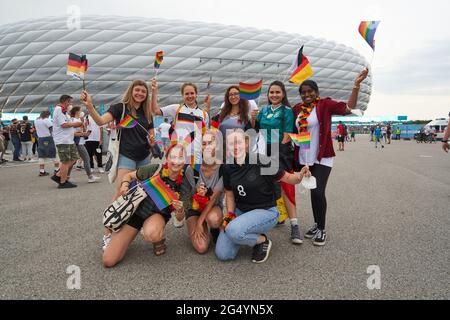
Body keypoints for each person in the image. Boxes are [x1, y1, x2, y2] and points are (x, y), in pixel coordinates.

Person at [292, 68, 369, 246]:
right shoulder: (297, 109)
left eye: (310, 91)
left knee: (318, 191)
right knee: (313, 191)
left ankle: (322, 228)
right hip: (304, 158)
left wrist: (356, 86)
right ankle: (316, 224)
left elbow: (349, 108)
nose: (306, 95)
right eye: (303, 92)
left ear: (316, 92)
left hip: (322, 157)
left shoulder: (324, 105)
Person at [215, 129, 310, 263]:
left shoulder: (261, 160)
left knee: (233, 230)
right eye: (231, 144)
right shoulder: (227, 167)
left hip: (266, 210)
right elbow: (229, 195)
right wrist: (230, 215)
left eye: (239, 142)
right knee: (223, 254)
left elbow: (289, 178)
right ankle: (247, 232)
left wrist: (300, 175)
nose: (235, 147)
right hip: (241, 211)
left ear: (246, 143)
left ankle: (262, 240)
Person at [81, 80, 155, 249]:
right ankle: (108, 233)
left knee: (144, 193)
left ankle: (137, 224)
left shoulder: (147, 112)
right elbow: (100, 121)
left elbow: (151, 133)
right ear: (131, 91)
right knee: (122, 192)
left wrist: (152, 140)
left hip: (144, 156)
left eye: (143, 91)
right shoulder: (119, 108)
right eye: (137, 90)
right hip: (127, 156)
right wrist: (90, 106)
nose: (140, 94)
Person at [102, 144, 195, 268]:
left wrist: (180, 210)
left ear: (185, 160)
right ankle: (121, 236)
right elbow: (128, 175)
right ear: (167, 158)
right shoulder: (155, 169)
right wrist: (124, 186)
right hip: (136, 212)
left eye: (180, 158)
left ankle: (158, 239)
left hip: (157, 215)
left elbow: (179, 219)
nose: (176, 162)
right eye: (173, 157)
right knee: (108, 261)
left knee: (151, 233)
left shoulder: (185, 183)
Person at [255, 81, 301, 244]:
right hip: (262, 150)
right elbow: (257, 128)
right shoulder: (264, 109)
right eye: (271, 92)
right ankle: (269, 220)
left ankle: (295, 226)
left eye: (277, 92)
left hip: (280, 151)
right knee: (265, 186)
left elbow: (287, 134)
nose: (274, 95)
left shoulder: (287, 111)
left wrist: (278, 151)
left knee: (285, 187)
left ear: (283, 94)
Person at [151, 79, 210, 177]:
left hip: (196, 157)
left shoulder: (204, 114)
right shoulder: (176, 109)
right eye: (187, 94)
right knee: (175, 184)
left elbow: (204, 137)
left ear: (196, 94)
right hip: (178, 154)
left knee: (192, 186)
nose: (190, 96)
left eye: (192, 93)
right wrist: (154, 92)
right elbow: (155, 111)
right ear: (182, 95)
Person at [186, 130, 224, 253]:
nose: (207, 147)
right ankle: (201, 225)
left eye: (211, 143)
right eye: (203, 143)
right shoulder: (192, 169)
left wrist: (200, 223)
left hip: (213, 206)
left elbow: (213, 199)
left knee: (214, 220)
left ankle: (214, 228)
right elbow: (186, 198)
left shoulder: (223, 168)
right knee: (201, 248)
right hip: (195, 208)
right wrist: (196, 195)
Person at [51, 95, 83, 188]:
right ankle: (62, 182)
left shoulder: (63, 111)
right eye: (70, 102)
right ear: (65, 102)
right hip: (63, 140)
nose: (71, 104)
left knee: (74, 158)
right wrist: (75, 124)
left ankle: (58, 175)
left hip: (68, 139)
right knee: (65, 161)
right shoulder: (59, 110)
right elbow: (63, 125)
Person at [70, 106, 101, 183]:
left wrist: (85, 130)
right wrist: (84, 133)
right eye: (80, 111)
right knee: (85, 159)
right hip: (78, 143)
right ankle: (90, 177)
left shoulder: (78, 120)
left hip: (80, 142)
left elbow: (80, 130)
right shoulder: (74, 120)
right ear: (77, 112)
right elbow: (73, 133)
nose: (82, 112)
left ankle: (65, 176)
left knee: (73, 160)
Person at [34, 110, 59, 176]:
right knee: (54, 153)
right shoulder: (46, 120)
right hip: (48, 138)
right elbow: (52, 129)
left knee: (41, 155)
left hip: (40, 139)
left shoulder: (36, 120)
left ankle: (41, 171)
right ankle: (57, 170)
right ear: (47, 115)